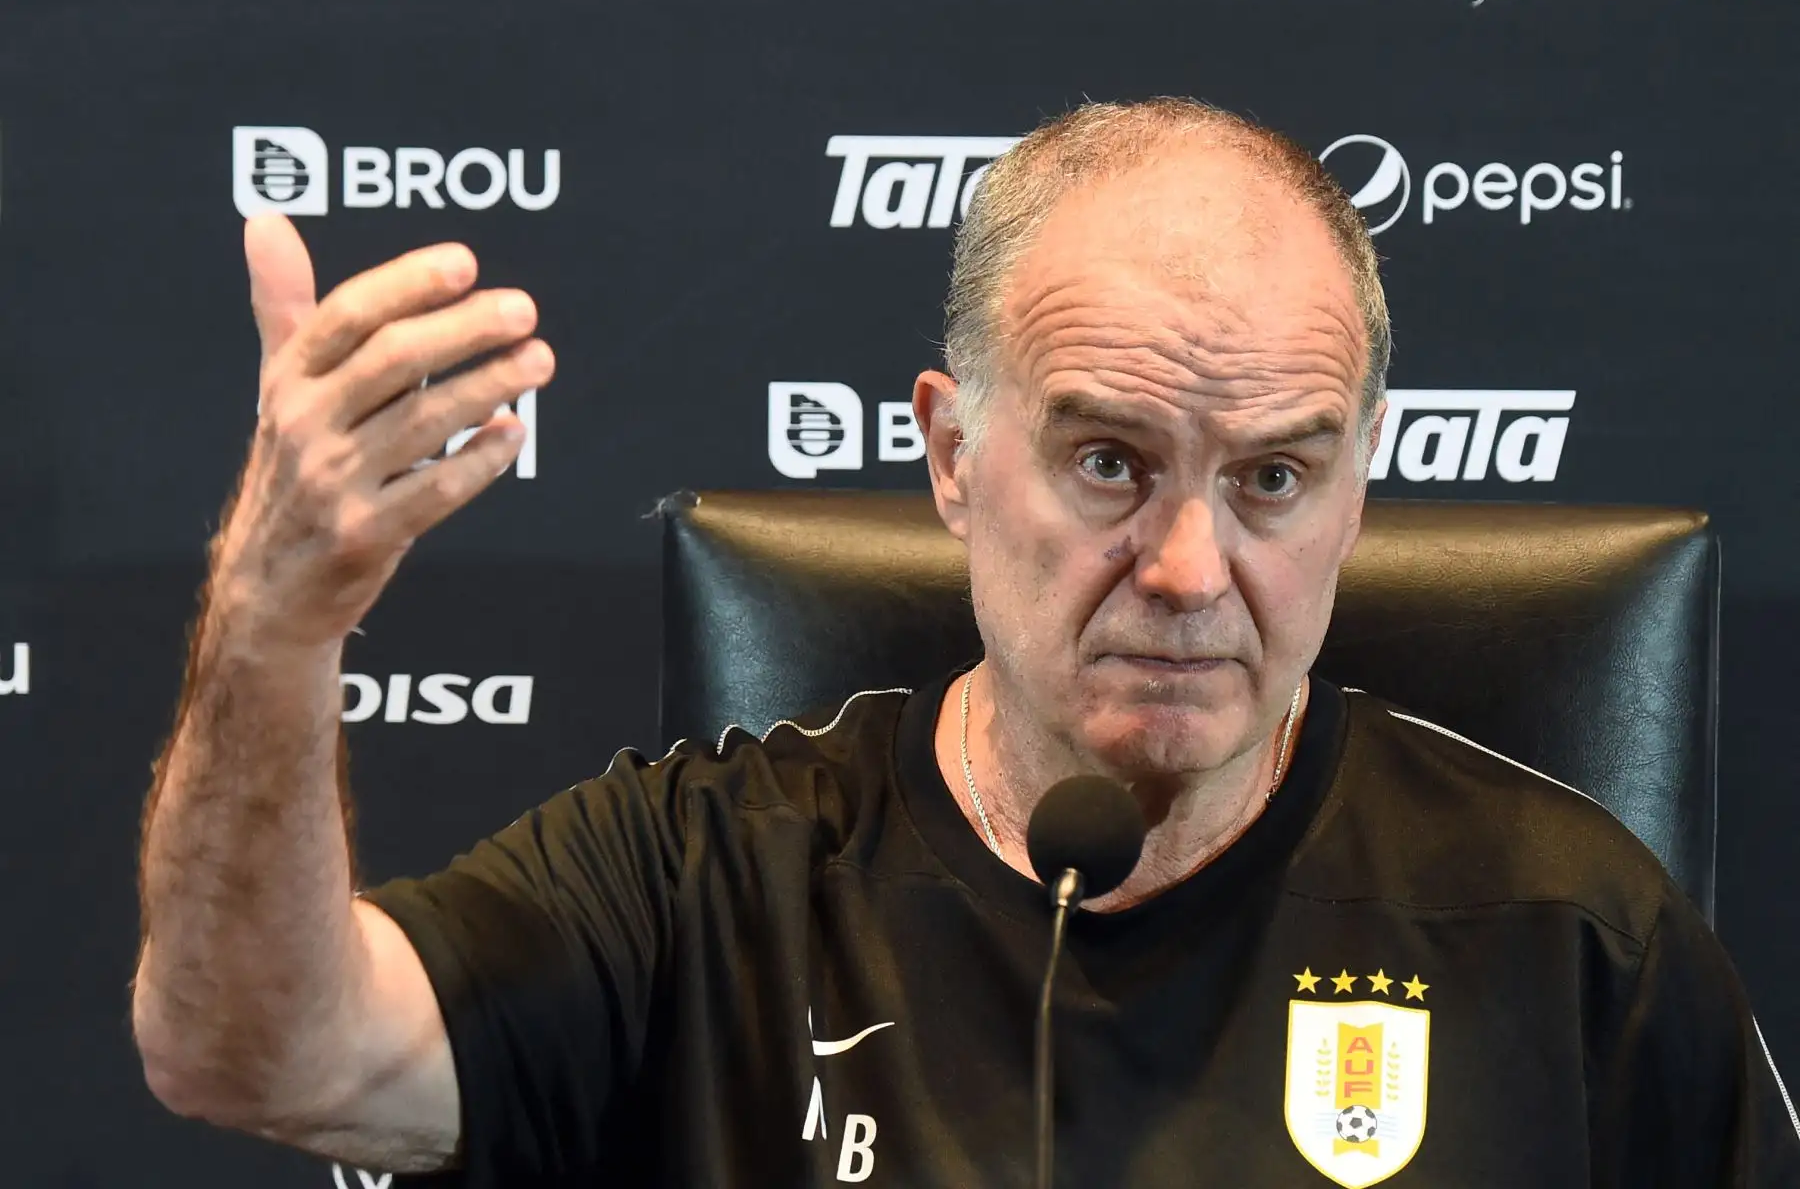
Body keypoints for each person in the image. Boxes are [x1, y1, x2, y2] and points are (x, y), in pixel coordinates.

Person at [132, 98, 1800, 1187]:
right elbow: (250, 1050)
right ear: (947, 455)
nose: (1187, 567)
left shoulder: (1579, 936)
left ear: (1362, 488)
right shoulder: (708, 883)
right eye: (1107, 463)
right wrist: (274, 622)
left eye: (1276, 478)